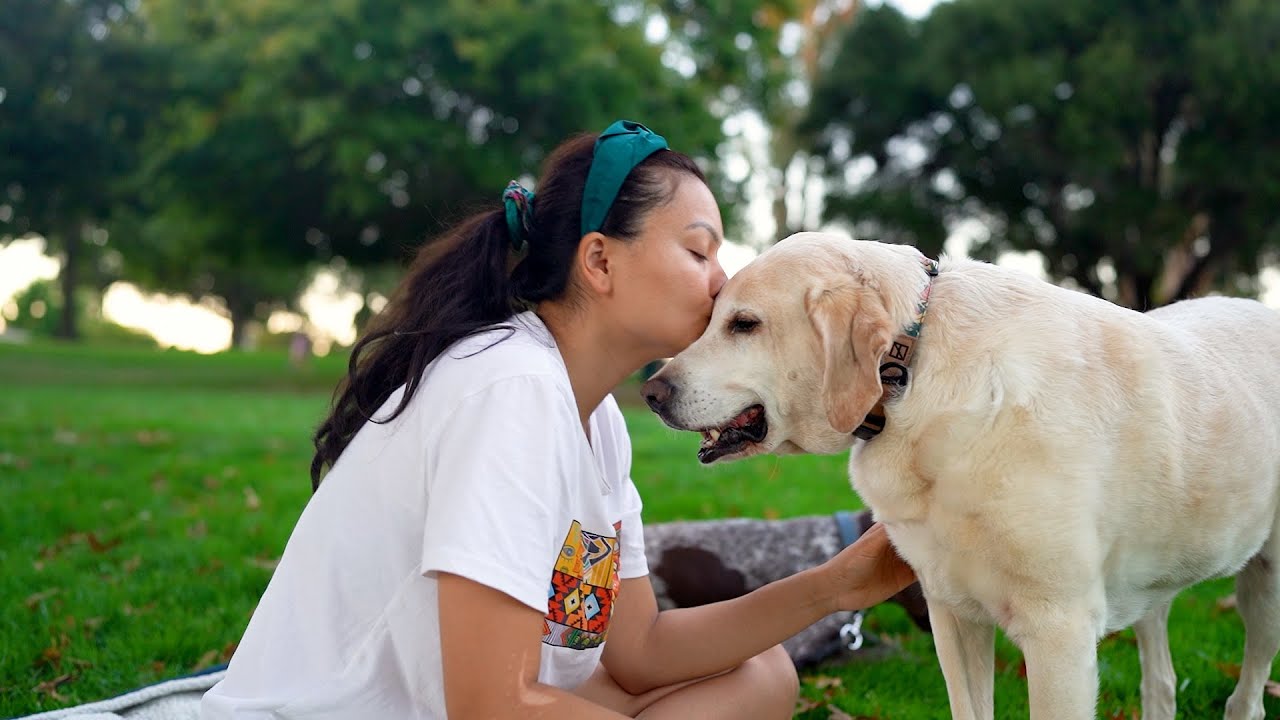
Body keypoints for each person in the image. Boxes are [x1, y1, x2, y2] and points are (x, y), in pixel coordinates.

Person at [200, 120, 916, 719]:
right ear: (599, 261)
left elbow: (639, 653)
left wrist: (840, 585)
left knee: (761, 677)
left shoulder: (592, 418)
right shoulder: (508, 389)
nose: (723, 279)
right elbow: (492, 705)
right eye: (699, 249)